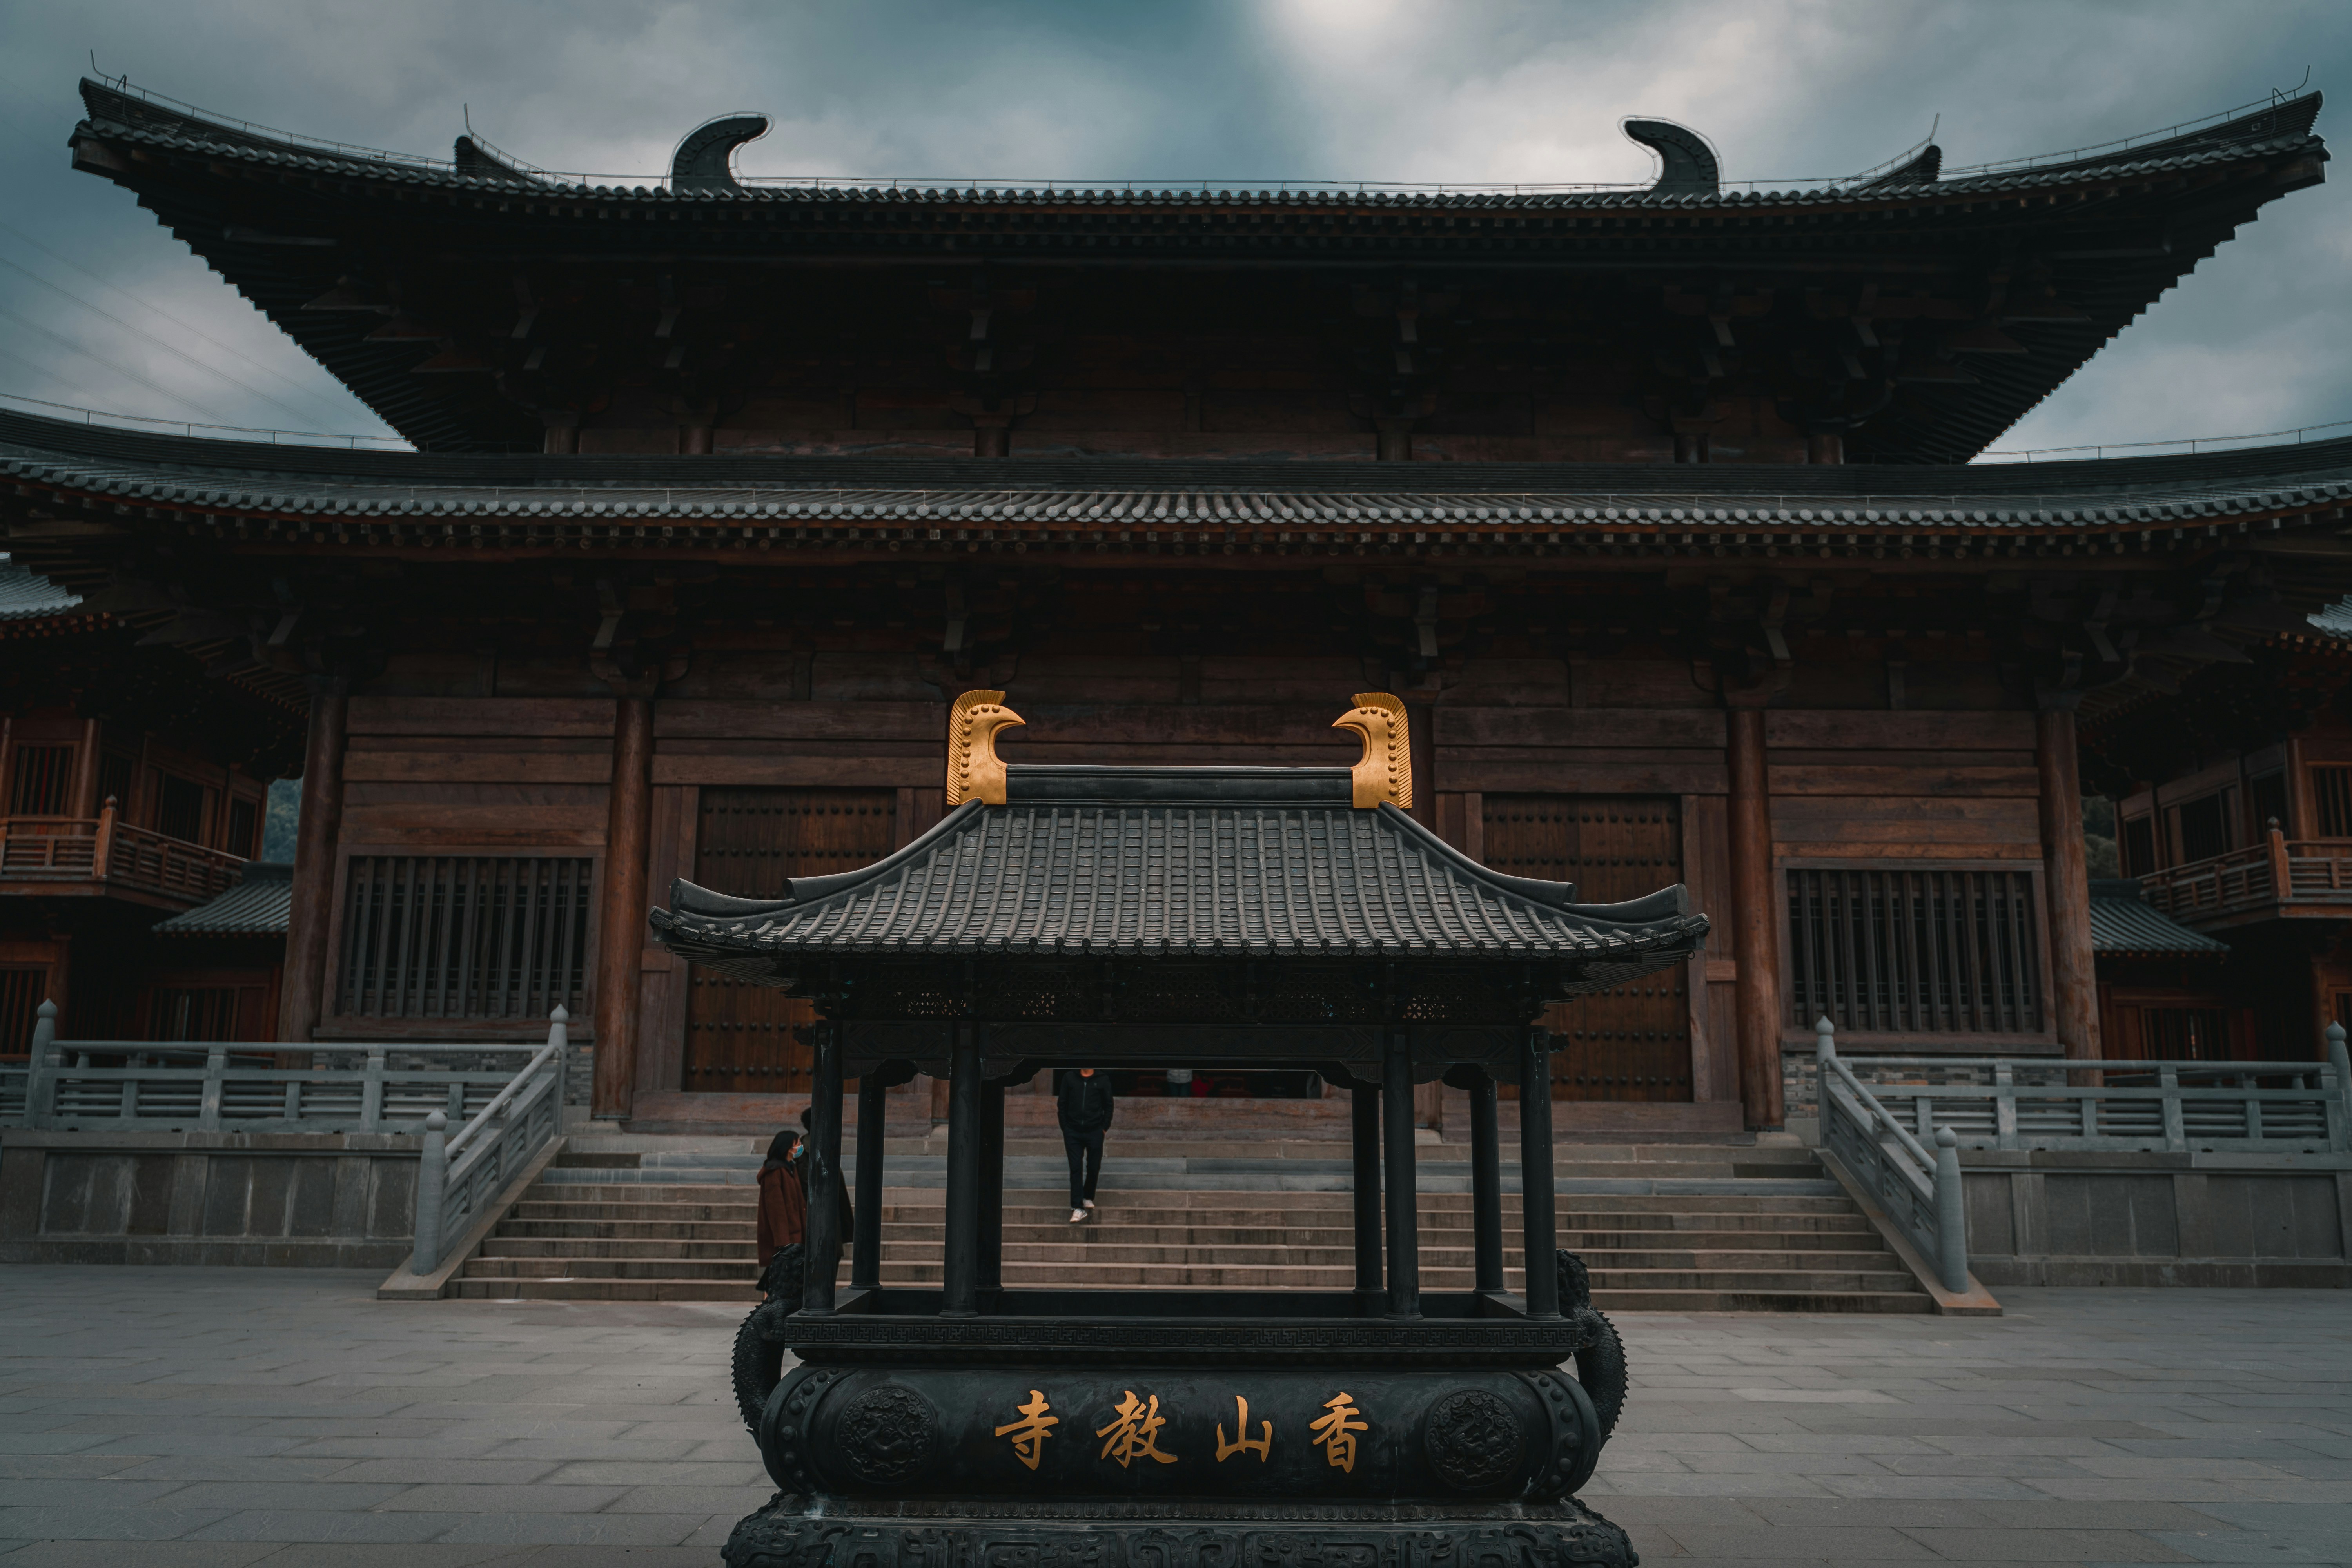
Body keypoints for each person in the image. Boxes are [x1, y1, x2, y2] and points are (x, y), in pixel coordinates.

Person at [1056, 1066, 1115, 1224]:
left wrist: (1104, 1128)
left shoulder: (1102, 1079)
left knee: (1094, 1166)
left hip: (1095, 1131)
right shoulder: (1069, 1077)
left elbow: (1109, 1105)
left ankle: (1088, 1196)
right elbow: (1062, 1104)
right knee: (1075, 1168)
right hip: (1073, 1132)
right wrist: (1066, 1128)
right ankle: (1077, 1208)